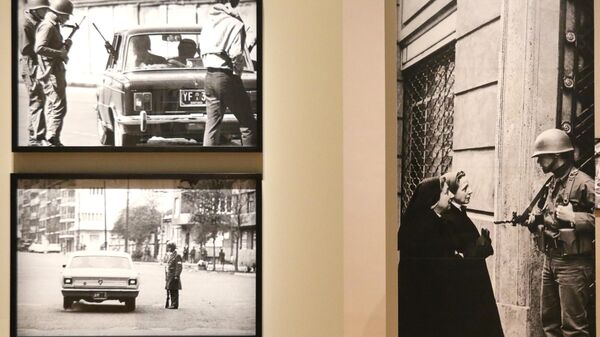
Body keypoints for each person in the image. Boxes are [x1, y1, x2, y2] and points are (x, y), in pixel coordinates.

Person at [526, 129, 595, 337]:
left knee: (573, 329)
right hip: (551, 260)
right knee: (549, 324)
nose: (538, 162)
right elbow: (552, 220)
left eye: (541, 157)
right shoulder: (552, 183)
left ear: (557, 156)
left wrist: (574, 217)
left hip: (573, 265)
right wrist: (535, 220)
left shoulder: (585, 183)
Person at [398, 176, 462, 337]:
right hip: (425, 306)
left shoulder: (435, 222)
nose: (452, 196)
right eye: (446, 192)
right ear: (433, 199)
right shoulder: (423, 230)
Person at [442, 171, 504, 337]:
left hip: (474, 282)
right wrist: (479, 247)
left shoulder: (459, 213)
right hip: (465, 289)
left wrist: (482, 244)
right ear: (452, 193)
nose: (470, 191)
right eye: (465, 188)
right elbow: (455, 255)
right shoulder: (448, 218)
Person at [199, 0, 257, 146]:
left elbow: (202, 50)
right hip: (226, 76)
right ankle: (249, 162)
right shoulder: (235, 24)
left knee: (212, 126)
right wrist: (237, 74)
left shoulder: (208, 24)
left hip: (209, 76)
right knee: (248, 123)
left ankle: (207, 163)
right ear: (230, 4)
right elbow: (236, 55)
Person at [34, 0, 74, 147]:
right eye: (67, 16)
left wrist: (66, 46)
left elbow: (55, 50)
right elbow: (39, 48)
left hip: (55, 71)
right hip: (51, 73)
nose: (68, 19)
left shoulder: (53, 26)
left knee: (54, 105)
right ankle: (52, 138)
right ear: (60, 13)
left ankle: (52, 138)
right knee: (58, 106)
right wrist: (59, 53)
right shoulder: (48, 26)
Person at [21, 0, 49, 147]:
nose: (46, 13)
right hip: (30, 65)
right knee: (37, 101)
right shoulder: (26, 25)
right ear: (34, 10)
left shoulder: (35, 24)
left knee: (38, 101)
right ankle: (37, 138)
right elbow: (26, 49)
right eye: (43, 10)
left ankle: (34, 138)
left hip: (34, 64)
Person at [164, 242, 183, 309]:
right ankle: (172, 303)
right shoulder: (171, 255)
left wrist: (176, 275)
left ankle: (174, 304)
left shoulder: (177, 256)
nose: (168, 249)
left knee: (174, 290)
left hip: (173, 276)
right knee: (171, 290)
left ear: (172, 248)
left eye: (169, 247)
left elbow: (179, 267)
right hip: (169, 276)